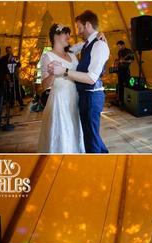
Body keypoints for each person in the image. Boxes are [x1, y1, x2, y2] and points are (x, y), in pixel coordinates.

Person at [50, 10, 110, 153]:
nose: (78, 31)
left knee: (90, 139)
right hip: (85, 96)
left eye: (79, 27)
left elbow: (91, 78)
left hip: (91, 96)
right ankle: (105, 155)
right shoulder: (87, 44)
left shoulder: (99, 45)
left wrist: (64, 71)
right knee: (91, 134)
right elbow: (70, 50)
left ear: (88, 25)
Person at [37, 24, 85, 153]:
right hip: (60, 100)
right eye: (66, 34)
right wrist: (53, 74)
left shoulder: (72, 55)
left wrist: (98, 35)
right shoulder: (48, 56)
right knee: (63, 131)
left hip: (75, 97)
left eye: (69, 34)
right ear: (55, 36)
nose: (69, 37)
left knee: (75, 129)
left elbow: (85, 43)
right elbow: (44, 85)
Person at [114, 40, 134, 106]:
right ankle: (121, 100)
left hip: (126, 71)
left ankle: (127, 101)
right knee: (120, 86)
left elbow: (132, 61)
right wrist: (117, 62)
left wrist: (124, 60)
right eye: (118, 46)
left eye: (119, 46)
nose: (119, 47)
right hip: (120, 70)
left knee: (127, 85)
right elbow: (119, 60)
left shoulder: (129, 51)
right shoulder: (119, 52)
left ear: (123, 45)